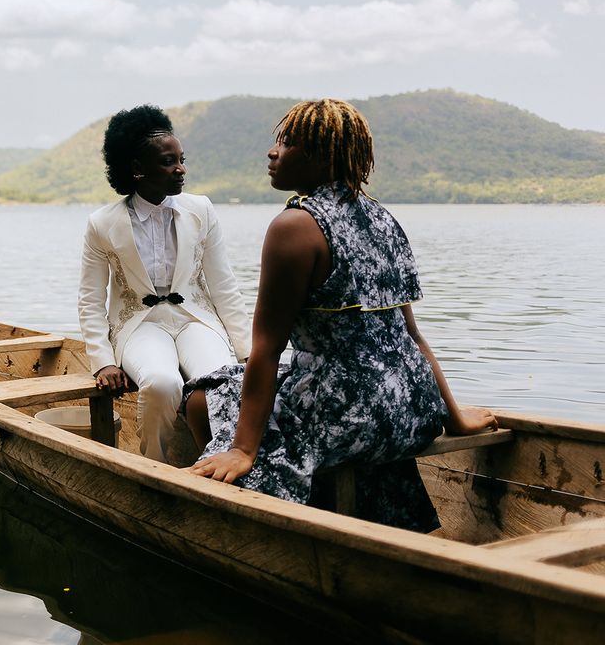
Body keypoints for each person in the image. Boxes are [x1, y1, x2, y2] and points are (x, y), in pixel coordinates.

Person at [185, 98, 497, 532]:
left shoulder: (294, 226)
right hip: (412, 409)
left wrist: (243, 449)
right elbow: (412, 336)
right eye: (277, 141)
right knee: (258, 388)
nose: (273, 151)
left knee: (203, 396)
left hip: (348, 412)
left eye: (288, 143)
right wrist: (455, 418)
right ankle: (335, 508)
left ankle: (243, 520)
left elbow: (267, 349)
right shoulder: (384, 219)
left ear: (322, 156)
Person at [78, 105, 252, 463]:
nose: (181, 169)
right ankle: (154, 465)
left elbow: (224, 287)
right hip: (138, 326)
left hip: (197, 320)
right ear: (138, 170)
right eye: (168, 162)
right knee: (161, 383)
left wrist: (248, 352)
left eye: (181, 159)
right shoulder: (101, 224)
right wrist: (102, 362)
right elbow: (91, 299)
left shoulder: (201, 210)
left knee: (218, 381)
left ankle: (218, 462)